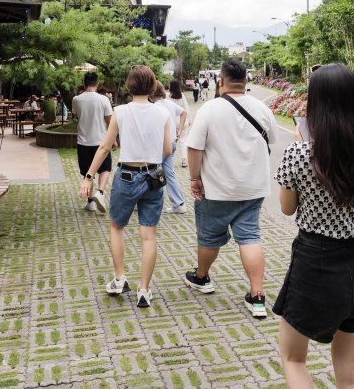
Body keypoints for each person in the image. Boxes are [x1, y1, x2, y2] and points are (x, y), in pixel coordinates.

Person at [273, 64, 354, 389]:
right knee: (350, 373)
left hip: (315, 264)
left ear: (315, 104)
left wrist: (302, 144)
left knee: (293, 359)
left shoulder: (299, 154)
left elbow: (286, 209)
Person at [183, 59, 278, 319]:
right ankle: (257, 295)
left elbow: (194, 147)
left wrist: (194, 178)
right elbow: (271, 142)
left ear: (220, 81)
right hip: (252, 188)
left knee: (209, 236)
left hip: (216, 188)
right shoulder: (262, 108)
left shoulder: (209, 109)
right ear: (246, 82)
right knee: (250, 237)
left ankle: (202, 278)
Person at [80, 66, 171, 308]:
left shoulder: (120, 111)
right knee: (148, 235)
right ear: (153, 86)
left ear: (129, 86)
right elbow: (167, 150)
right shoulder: (162, 113)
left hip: (127, 177)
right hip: (153, 177)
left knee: (117, 227)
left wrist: (88, 176)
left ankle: (120, 279)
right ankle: (144, 290)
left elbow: (104, 147)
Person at [72, 72, 114, 213]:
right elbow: (110, 120)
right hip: (101, 142)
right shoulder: (103, 99)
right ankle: (100, 193)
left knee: (87, 172)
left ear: (84, 83)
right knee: (105, 169)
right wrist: (113, 139)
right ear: (97, 83)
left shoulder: (76, 99)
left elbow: (76, 114)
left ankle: (90, 203)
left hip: (83, 142)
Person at [154, 80, 189, 214]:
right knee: (169, 172)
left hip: (162, 144)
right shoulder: (169, 103)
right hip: (172, 142)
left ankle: (144, 202)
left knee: (150, 171)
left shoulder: (155, 107)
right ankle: (179, 203)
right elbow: (184, 112)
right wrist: (179, 130)